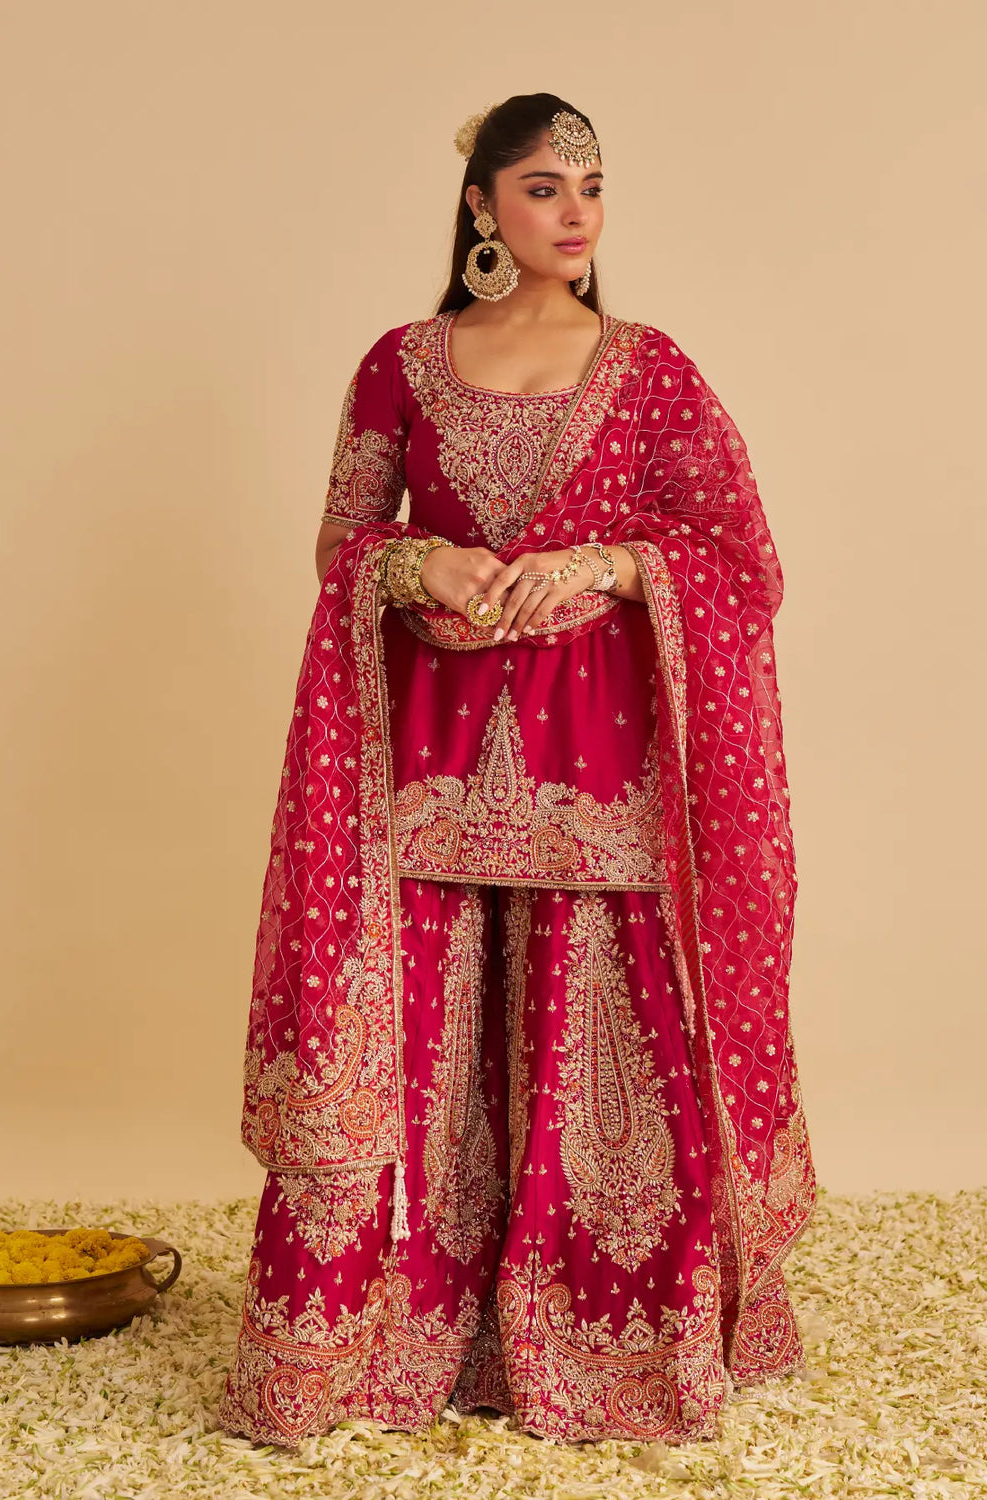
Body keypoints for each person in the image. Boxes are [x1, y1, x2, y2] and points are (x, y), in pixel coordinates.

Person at [215, 92, 817, 1448]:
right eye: (546, 187)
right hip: (424, 763)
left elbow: (739, 560)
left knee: (603, 1038)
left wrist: (607, 566)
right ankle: (385, 1342)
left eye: (593, 186)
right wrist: (417, 560)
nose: (578, 211)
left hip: (597, 774)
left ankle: (613, 1344)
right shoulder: (399, 363)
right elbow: (341, 543)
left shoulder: (654, 369)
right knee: (415, 1034)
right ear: (484, 205)